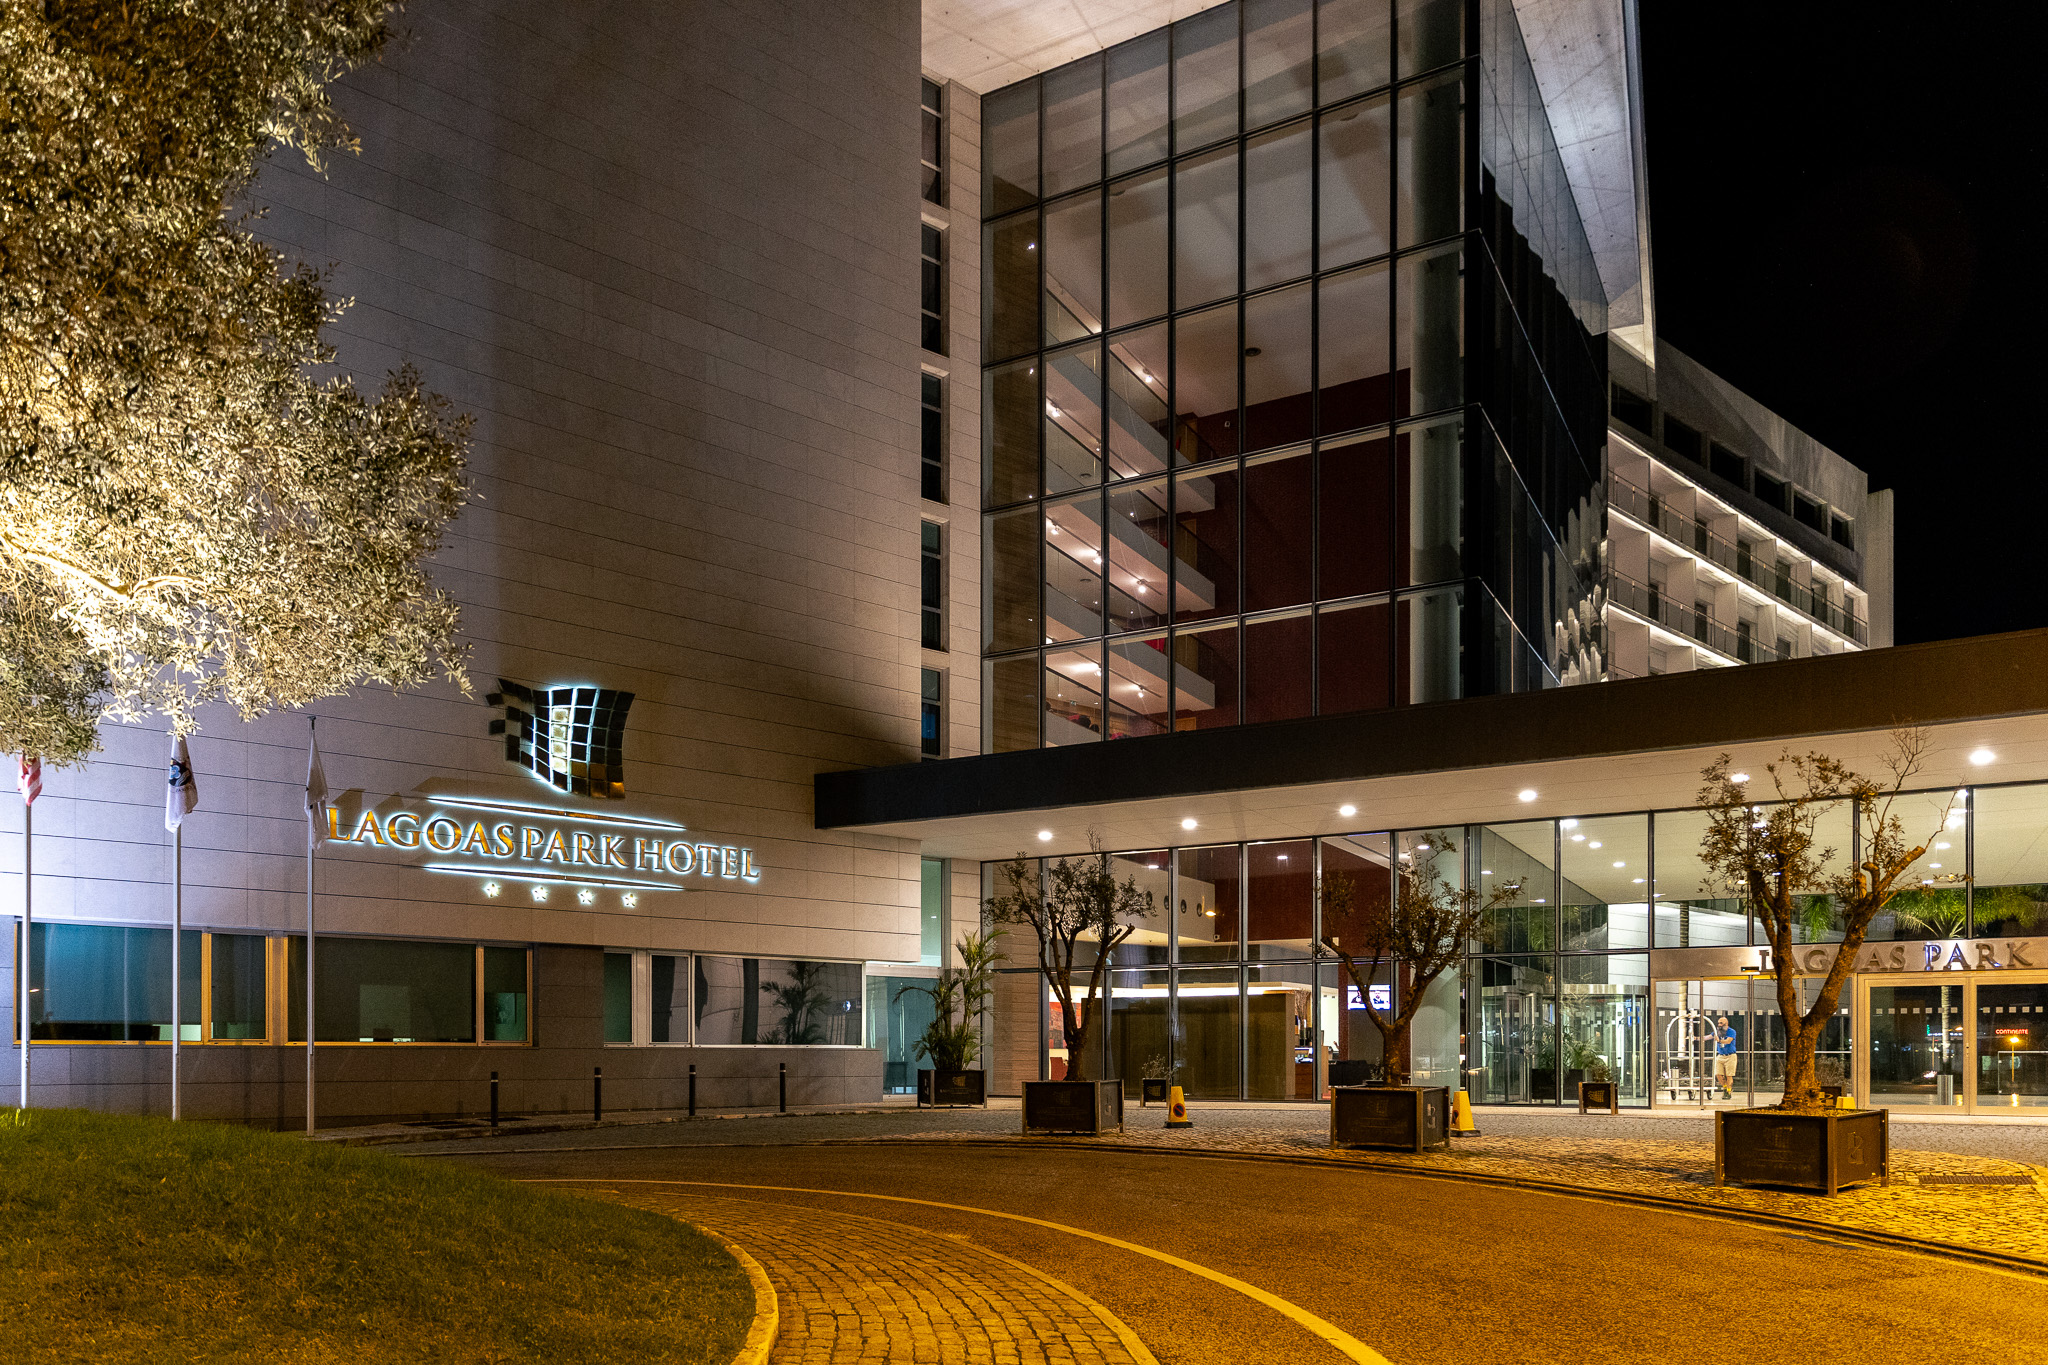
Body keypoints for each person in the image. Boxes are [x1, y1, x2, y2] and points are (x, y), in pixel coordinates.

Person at [1714, 1015, 1739, 1100]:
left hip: (1730, 1056)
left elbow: (1728, 1041)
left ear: (1726, 1023)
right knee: (1718, 1074)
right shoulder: (1717, 1032)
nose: (1719, 1025)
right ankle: (1724, 1087)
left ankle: (1728, 1091)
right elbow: (1708, 1037)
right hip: (1721, 1055)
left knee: (1729, 1075)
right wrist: (1695, 1038)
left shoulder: (1731, 1031)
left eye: (1721, 1023)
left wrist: (1719, 1040)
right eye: (1718, 1023)